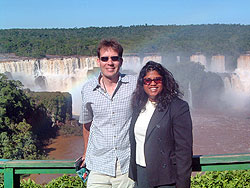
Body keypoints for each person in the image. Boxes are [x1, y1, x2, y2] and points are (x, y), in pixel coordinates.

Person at [79, 39, 136, 188]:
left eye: (114, 58)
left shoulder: (134, 85)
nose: (109, 63)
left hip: (126, 165)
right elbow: (87, 124)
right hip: (98, 165)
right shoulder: (87, 89)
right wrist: (85, 152)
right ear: (98, 61)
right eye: (105, 58)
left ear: (121, 61)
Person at [129, 61, 193, 188]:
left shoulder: (177, 107)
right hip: (141, 173)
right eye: (148, 80)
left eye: (157, 80)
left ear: (164, 81)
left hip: (165, 178)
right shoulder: (139, 105)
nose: (152, 83)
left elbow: (184, 151)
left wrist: (183, 184)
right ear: (142, 83)